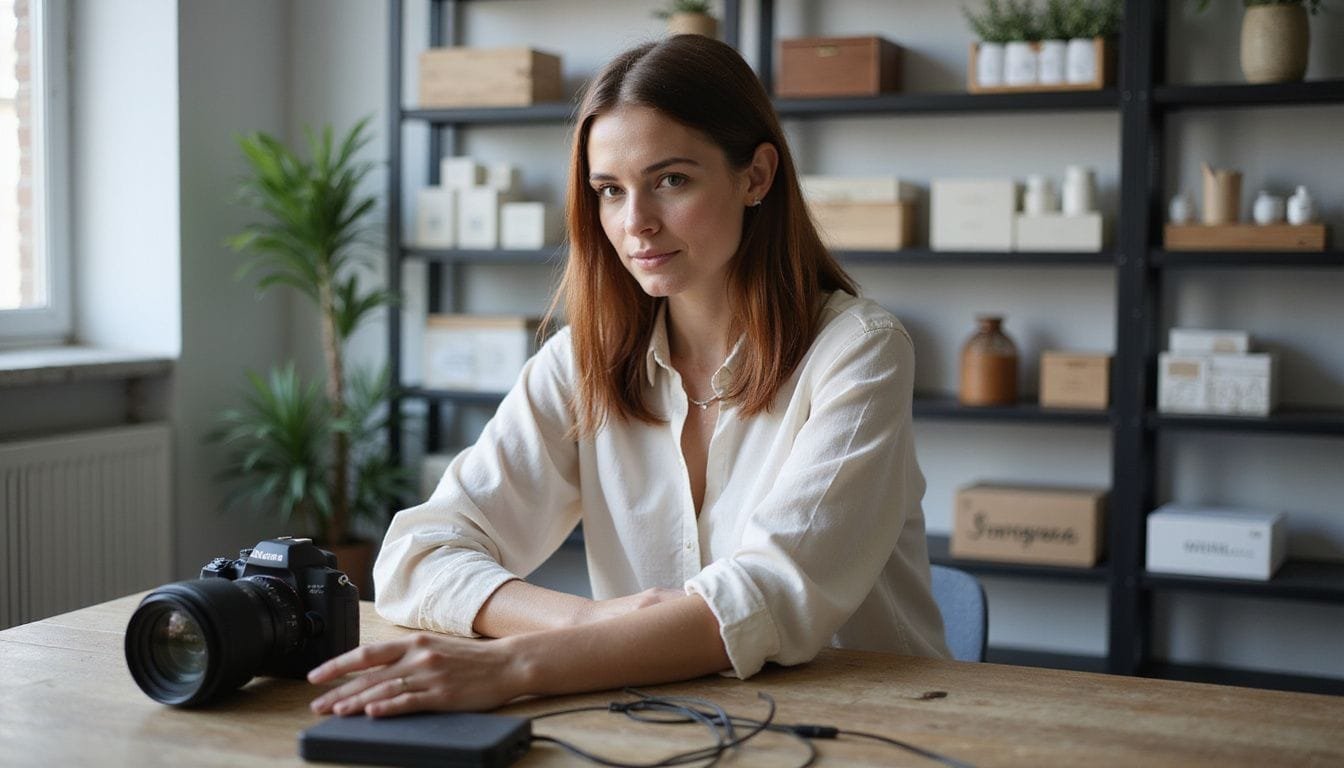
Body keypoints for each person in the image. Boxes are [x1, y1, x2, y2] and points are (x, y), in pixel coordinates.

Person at [308, 34, 949, 718]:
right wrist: (588, 629)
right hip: (665, 718)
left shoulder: (860, 351)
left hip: (877, 718)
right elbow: (416, 552)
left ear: (756, 176)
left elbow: (766, 596)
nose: (635, 223)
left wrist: (518, 662)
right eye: (610, 191)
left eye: (671, 180)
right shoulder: (581, 361)